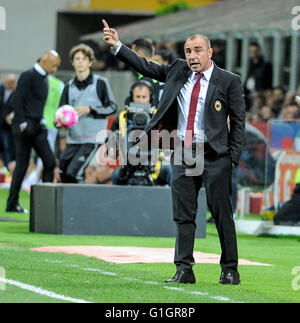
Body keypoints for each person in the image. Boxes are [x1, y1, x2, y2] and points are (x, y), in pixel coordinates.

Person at [103, 19, 246, 285]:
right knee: (183, 214)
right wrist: (118, 46)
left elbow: (238, 121)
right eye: (188, 50)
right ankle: (184, 269)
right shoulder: (178, 70)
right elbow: (146, 66)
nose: (192, 55)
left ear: (210, 52)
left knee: (221, 214)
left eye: (198, 50)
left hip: (215, 155)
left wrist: (232, 157)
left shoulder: (229, 81)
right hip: (182, 152)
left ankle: (229, 270)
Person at [6, 50, 61, 213]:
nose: (56, 69)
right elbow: (17, 100)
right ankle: (12, 204)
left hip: (37, 126)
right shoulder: (28, 75)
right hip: (25, 127)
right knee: (23, 165)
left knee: (49, 162)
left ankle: (44, 205)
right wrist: (22, 123)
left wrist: (42, 121)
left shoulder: (44, 78)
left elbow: (36, 103)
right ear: (44, 62)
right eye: (54, 65)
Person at [58, 43, 117, 183]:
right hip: (73, 138)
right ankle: (68, 205)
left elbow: (112, 107)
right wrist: (59, 123)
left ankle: (79, 204)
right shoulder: (68, 86)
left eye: (84, 58)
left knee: (74, 172)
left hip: (92, 138)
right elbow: (61, 112)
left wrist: (90, 109)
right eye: (77, 58)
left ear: (90, 62)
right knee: (63, 171)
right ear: (72, 62)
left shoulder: (100, 83)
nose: (80, 61)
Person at [110, 80, 172, 186]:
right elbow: (111, 141)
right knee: (116, 175)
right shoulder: (123, 117)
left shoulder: (159, 116)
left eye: (144, 97)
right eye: (137, 97)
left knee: (171, 172)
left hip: (155, 163)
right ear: (131, 98)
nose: (140, 101)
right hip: (129, 163)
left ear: (150, 98)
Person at [244, 42, 273, 110]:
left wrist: (259, 92)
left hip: (260, 92)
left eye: (255, 51)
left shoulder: (266, 64)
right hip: (249, 91)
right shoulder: (251, 63)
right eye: (251, 51)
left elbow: (268, 82)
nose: (253, 54)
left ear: (259, 51)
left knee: (255, 98)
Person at [0, 74, 16, 166]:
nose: (8, 84)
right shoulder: (1, 90)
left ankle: (7, 167)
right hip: (0, 124)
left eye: (11, 83)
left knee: (8, 148)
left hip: (7, 127)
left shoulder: (16, 93)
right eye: (7, 82)